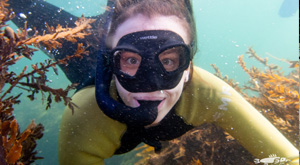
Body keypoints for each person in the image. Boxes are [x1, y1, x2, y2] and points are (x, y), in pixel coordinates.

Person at [9, 0, 299, 164]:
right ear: (112, 61)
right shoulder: (87, 114)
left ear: (189, 67)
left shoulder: (207, 93)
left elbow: (287, 160)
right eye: (132, 60)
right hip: (81, 48)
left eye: (170, 60)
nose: (151, 85)